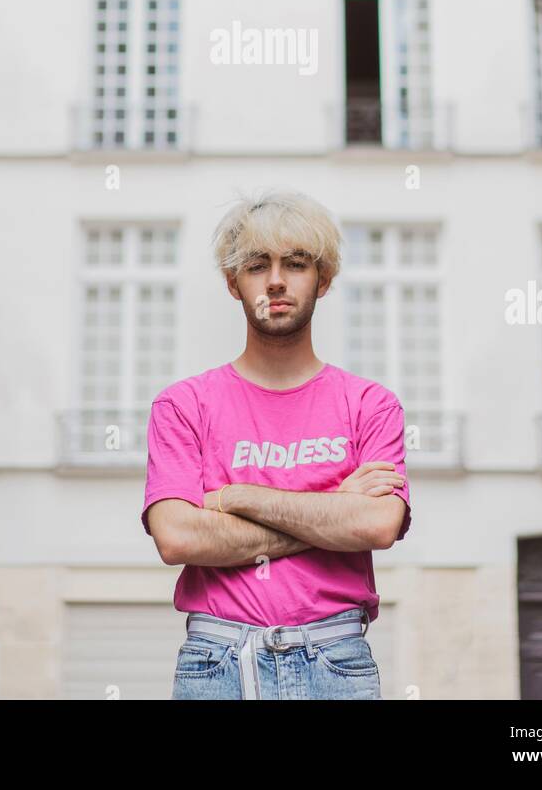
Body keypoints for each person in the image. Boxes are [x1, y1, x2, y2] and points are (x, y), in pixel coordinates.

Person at [141, 188, 412, 700]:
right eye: (256, 264)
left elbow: (377, 524)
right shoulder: (183, 405)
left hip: (336, 657)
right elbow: (177, 538)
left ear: (324, 279)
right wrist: (334, 510)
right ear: (232, 283)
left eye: (296, 263)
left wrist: (236, 499)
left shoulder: (370, 405)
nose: (277, 280)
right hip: (216, 659)